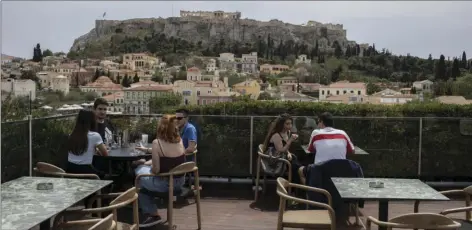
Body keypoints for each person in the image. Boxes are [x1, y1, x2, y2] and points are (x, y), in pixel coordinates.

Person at [134, 115, 186, 228]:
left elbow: (156, 170)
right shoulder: (179, 141)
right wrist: (148, 162)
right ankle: (149, 208)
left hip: (165, 184)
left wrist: (145, 164)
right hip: (180, 182)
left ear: (160, 127)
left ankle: (151, 213)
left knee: (138, 172)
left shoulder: (157, 143)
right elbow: (168, 160)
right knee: (144, 179)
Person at [261, 113, 304, 184]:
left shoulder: (287, 132)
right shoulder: (276, 135)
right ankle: (295, 186)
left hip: (283, 158)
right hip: (275, 160)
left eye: (290, 123)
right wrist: (290, 140)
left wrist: (289, 153)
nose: (289, 126)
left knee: (295, 160)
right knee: (295, 166)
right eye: (287, 124)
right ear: (281, 124)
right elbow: (280, 150)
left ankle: (296, 184)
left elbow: (285, 149)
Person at [66, 110, 108, 177]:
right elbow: (105, 154)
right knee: (106, 174)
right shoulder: (95, 136)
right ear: (92, 121)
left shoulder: (71, 135)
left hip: (70, 171)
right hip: (87, 173)